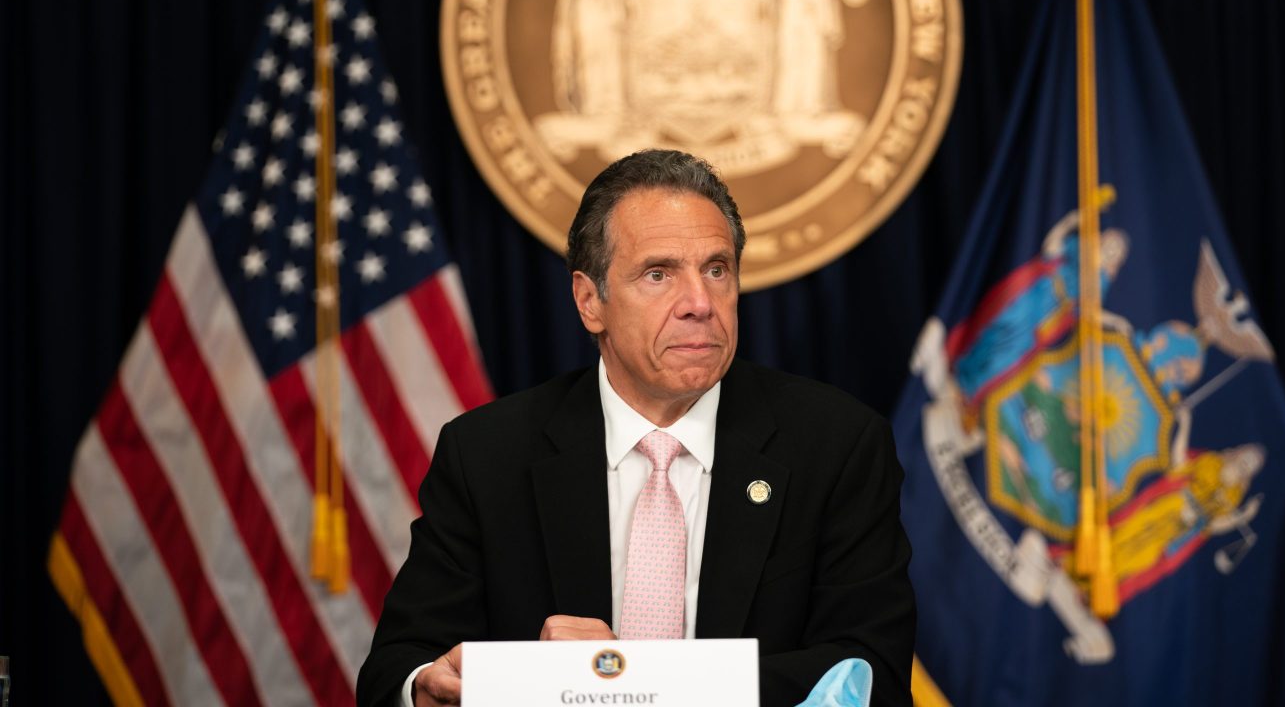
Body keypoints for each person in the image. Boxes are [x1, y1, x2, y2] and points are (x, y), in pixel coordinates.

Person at [357, 149, 915, 707]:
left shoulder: (837, 444)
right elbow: (395, 672)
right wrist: (427, 686)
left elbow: (870, 672)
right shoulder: (487, 454)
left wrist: (633, 682)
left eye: (716, 270)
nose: (699, 303)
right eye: (658, 274)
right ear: (589, 302)